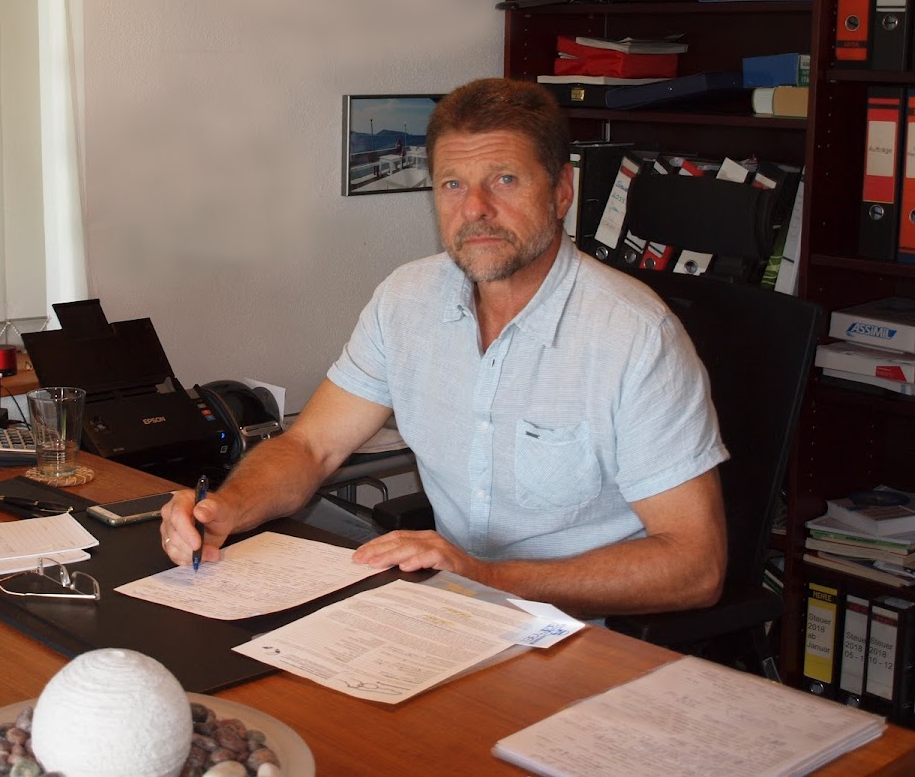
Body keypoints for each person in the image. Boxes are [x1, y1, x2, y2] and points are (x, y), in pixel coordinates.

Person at [161, 78, 728, 618]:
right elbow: (311, 448)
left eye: (504, 179)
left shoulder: (635, 336)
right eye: (453, 184)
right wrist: (225, 509)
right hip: (450, 612)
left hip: (581, 630)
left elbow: (695, 566)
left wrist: (484, 577)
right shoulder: (407, 298)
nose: (475, 208)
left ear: (561, 191)